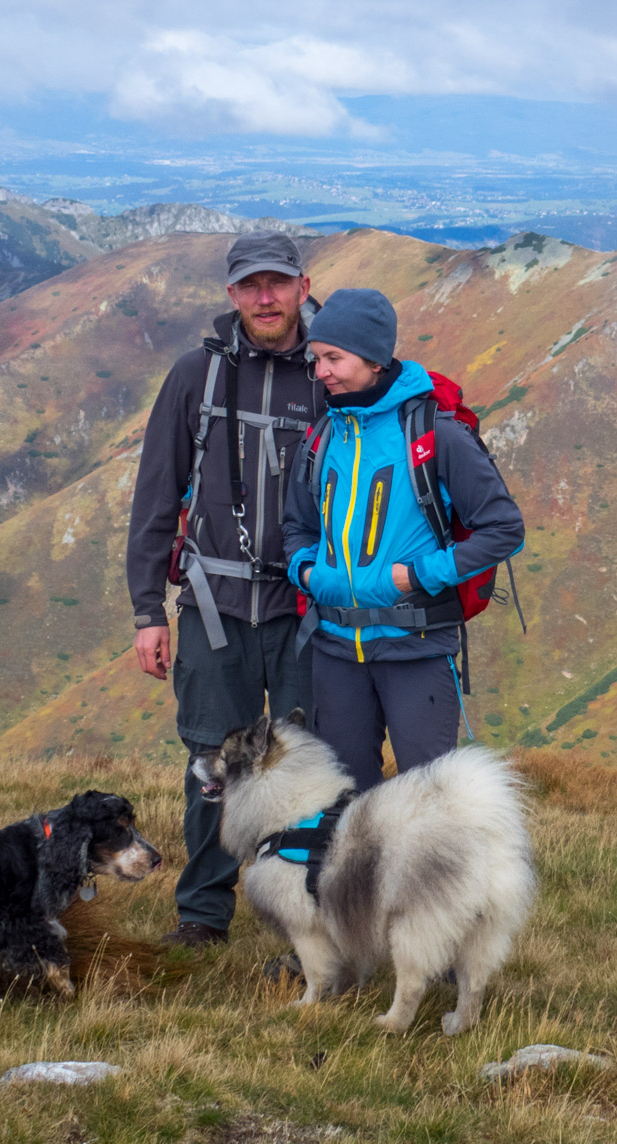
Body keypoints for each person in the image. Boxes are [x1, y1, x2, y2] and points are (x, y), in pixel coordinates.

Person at [126, 232, 322, 948]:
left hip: (308, 612)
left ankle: (306, 919)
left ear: (304, 286)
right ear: (231, 294)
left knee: (302, 768)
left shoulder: (332, 372)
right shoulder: (194, 377)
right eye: (250, 286)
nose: (264, 298)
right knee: (212, 764)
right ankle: (203, 916)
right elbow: (154, 497)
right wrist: (148, 611)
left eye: (277, 283)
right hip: (213, 610)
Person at [282, 287, 525, 790]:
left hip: (416, 648)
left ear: (373, 360)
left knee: (428, 804)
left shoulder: (435, 433)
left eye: (333, 358)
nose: (320, 371)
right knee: (344, 801)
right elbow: (297, 526)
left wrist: (415, 575)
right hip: (334, 649)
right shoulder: (323, 435)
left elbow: (504, 528)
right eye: (316, 359)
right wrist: (306, 571)